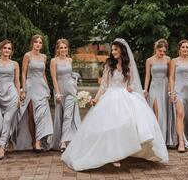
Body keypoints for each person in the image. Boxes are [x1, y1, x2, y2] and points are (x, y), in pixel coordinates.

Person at [61, 38, 168, 171]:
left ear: (122, 50)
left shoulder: (127, 65)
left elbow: (132, 83)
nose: (113, 52)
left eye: (115, 49)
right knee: (110, 126)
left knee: (126, 124)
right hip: (110, 97)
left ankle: (124, 150)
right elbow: (104, 85)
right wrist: (96, 98)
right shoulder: (109, 65)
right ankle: (113, 155)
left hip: (125, 97)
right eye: (112, 50)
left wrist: (130, 88)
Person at [13, 34, 53, 151]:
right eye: (36, 42)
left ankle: (38, 141)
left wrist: (47, 88)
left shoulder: (44, 57)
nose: (38, 44)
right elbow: (23, 73)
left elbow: (43, 74)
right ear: (32, 43)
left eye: (40, 42)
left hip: (41, 87)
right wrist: (23, 90)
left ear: (42, 45)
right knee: (31, 115)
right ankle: (33, 140)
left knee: (41, 115)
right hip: (30, 87)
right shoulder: (27, 55)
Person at [50, 38, 81, 152]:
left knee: (68, 115)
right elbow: (54, 78)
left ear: (67, 49)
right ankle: (60, 139)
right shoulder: (54, 61)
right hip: (60, 90)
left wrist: (75, 83)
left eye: (65, 47)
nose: (63, 49)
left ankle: (63, 141)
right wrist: (57, 93)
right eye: (61, 47)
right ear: (57, 49)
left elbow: (70, 74)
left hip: (71, 90)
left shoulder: (70, 60)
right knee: (60, 115)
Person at [168, 39, 188, 152]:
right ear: (179, 49)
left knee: (187, 117)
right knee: (180, 113)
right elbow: (171, 77)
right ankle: (181, 141)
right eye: (183, 47)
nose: (185, 49)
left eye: (187, 47)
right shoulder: (174, 61)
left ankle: (187, 138)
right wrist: (172, 91)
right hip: (178, 90)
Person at [144, 38, 171, 141]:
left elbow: (170, 75)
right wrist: (145, 90)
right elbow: (147, 76)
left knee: (163, 112)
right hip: (154, 86)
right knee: (157, 111)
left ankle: (162, 138)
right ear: (156, 49)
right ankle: (156, 137)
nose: (162, 53)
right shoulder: (149, 60)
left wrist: (170, 89)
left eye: (164, 51)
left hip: (164, 86)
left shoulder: (168, 59)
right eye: (160, 51)